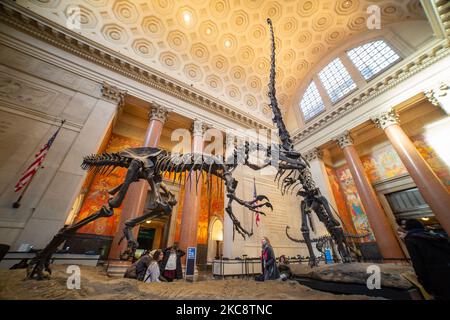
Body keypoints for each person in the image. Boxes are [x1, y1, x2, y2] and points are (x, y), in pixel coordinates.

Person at [397, 219, 450, 300]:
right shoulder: (437, 236)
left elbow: (418, 264)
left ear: (407, 228)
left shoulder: (411, 239)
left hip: (435, 277)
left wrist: (424, 283)